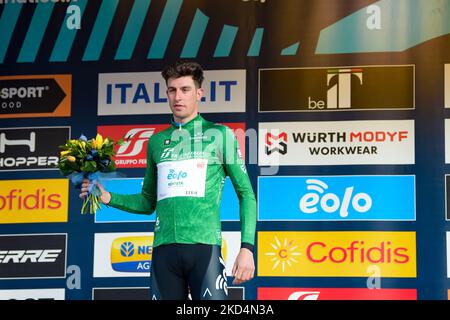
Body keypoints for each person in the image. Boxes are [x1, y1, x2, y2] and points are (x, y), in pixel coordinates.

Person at [80, 61, 257, 300]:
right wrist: (106, 197)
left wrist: (247, 247)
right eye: (172, 90)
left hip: (204, 249)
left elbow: (246, 193)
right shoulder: (156, 142)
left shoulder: (220, 135)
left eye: (185, 89)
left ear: (199, 93)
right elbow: (147, 202)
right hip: (164, 253)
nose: (178, 97)